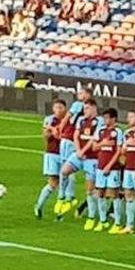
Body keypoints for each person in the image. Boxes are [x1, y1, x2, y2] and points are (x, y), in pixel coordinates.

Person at [59, 99, 104, 230]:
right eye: (84, 109)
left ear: (94, 108)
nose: (85, 111)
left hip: (92, 158)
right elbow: (76, 135)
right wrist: (78, 151)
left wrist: (83, 151)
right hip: (79, 154)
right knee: (64, 171)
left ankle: (91, 217)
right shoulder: (81, 120)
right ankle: (63, 197)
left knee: (90, 189)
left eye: (88, 108)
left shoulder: (99, 121)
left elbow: (94, 139)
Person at [54, 88, 90, 218]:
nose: (78, 95)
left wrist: (59, 129)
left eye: (81, 93)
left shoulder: (78, 105)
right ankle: (67, 197)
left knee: (66, 167)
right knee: (68, 168)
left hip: (69, 139)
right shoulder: (86, 108)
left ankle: (67, 196)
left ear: (87, 94)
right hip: (74, 140)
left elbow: (67, 117)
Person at [92, 107, 125, 233]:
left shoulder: (118, 132)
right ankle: (103, 221)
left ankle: (117, 223)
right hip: (100, 166)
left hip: (113, 168)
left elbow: (118, 151)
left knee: (114, 193)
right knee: (100, 193)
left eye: (107, 118)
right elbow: (94, 147)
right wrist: (104, 144)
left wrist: (109, 166)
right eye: (104, 118)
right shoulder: (100, 130)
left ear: (113, 119)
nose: (105, 120)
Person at [34, 99, 68, 219]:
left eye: (61, 107)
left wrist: (55, 131)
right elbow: (45, 136)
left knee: (65, 185)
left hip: (65, 155)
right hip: (52, 154)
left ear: (65, 109)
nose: (58, 110)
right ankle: (39, 206)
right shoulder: (49, 119)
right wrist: (50, 132)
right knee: (53, 182)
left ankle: (60, 213)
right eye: (56, 107)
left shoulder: (68, 120)